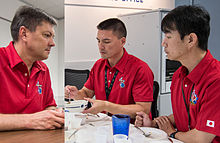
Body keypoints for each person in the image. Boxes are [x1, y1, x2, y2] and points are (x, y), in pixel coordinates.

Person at [135, 5, 220, 143]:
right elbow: (186, 113)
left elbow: (202, 138)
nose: (163, 43)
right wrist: (155, 124)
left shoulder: (215, 80)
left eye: (168, 36)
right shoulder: (179, 75)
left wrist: (172, 133)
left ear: (191, 40)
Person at [65, 18, 154, 119]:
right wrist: (76, 94)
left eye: (106, 42)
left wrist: (106, 106)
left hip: (131, 128)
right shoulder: (98, 65)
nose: (100, 46)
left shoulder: (140, 69)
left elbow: (143, 109)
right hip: (104, 124)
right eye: (98, 41)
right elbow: (86, 93)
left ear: (122, 41)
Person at [0, 6, 64, 131]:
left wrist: (54, 115)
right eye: (46, 35)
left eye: (53, 37)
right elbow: (35, 120)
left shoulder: (43, 69)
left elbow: (49, 105)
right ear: (24, 34)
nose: (52, 43)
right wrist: (31, 121)